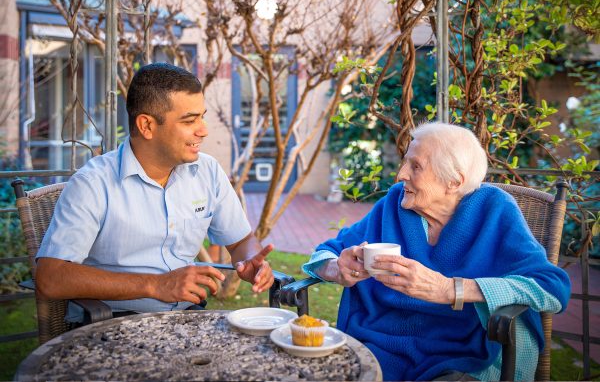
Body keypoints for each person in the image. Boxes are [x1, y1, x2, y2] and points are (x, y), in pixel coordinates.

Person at [303, 122, 570, 381]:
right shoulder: (395, 203)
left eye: (415, 166)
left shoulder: (494, 210)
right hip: (379, 345)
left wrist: (451, 289)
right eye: (405, 161)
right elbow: (325, 253)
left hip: (462, 354)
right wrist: (338, 268)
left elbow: (551, 287)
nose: (401, 174)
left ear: (453, 181)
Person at [36, 63, 274, 319]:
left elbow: (240, 241)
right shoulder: (93, 183)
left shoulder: (208, 171)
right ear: (146, 126)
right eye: (189, 120)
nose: (203, 130)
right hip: (110, 326)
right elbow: (51, 278)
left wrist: (250, 260)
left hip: (186, 319)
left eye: (201, 117)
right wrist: (156, 285)